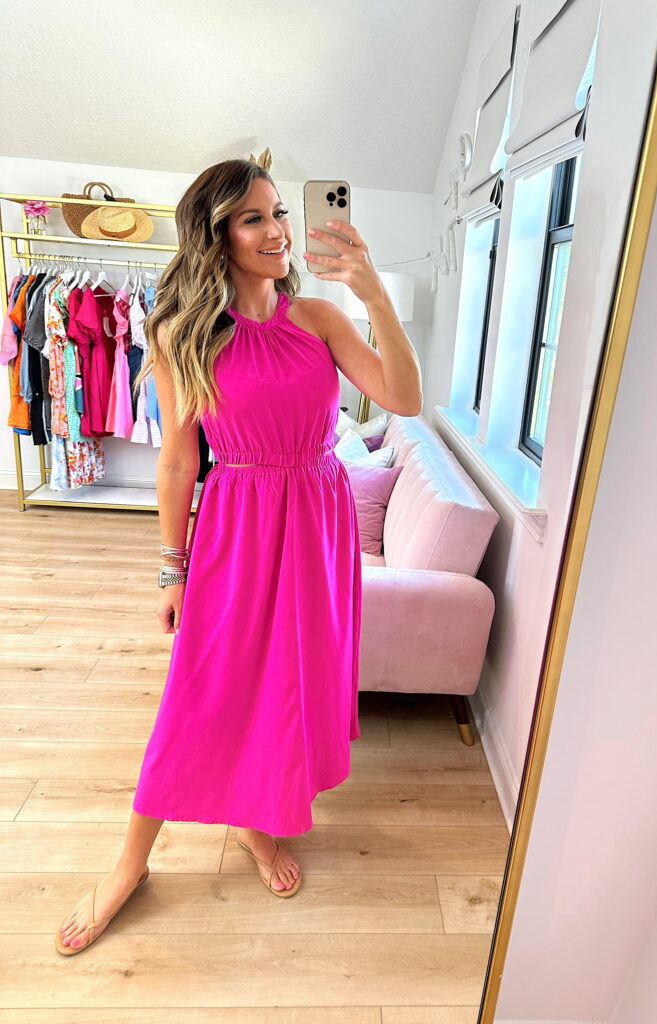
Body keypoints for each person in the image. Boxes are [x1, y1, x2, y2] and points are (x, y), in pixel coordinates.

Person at [55, 154, 423, 954]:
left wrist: (373, 296)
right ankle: (129, 864)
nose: (277, 230)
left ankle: (258, 822)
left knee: (289, 680)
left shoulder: (319, 319)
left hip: (317, 523)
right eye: (254, 218)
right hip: (239, 526)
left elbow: (404, 397)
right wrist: (171, 567)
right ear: (216, 235)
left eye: (278, 212)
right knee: (201, 691)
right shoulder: (182, 333)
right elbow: (178, 461)